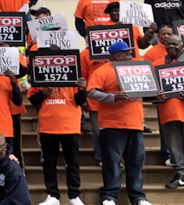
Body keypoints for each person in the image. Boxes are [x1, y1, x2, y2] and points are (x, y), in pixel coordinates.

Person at [87, 41, 152, 205]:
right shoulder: (102, 71)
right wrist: (113, 97)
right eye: (127, 53)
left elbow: (146, 91)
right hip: (112, 125)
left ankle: (138, 197)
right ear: (117, 55)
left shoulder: (137, 69)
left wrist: (155, 94)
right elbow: (91, 92)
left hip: (135, 124)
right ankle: (109, 196)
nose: (131, 56)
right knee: (112, 163)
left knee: (136, 163)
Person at [29, 75, 88, 205]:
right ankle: (52, 195)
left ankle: (74, 196)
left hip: (70, 126)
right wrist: (43, 93)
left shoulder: (74, 75)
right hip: (48, 126)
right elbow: (33, 100)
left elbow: (80, 101)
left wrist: (83, 89)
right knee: (49, 163)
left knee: (72, 162)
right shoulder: (41, 76)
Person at [151, 35, 184, 189]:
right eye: (168, 43)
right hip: (168, 112)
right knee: (174, 145)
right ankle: (180, 173)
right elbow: (148, 90)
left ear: (182, 45)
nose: (171, 46)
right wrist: (155, 95)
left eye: (175, 44)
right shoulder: (156, 64)